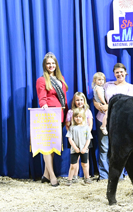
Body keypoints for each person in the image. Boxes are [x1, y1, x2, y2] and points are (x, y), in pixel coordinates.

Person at [94, 63, 133, 179]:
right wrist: (98, 104)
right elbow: (96, 97)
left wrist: (109, 107)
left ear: (125, 72)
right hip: (103, 119)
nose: (119, 74)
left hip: (121, 122)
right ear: (114, 73)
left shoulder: (131, 88)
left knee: (119, 149)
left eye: (121, 72)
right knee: (104, 148)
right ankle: (104, 175)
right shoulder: (107, 85)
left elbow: (131, 106)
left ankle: (118, 175)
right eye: (117, 72)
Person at [36, 52, 68, 187]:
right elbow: (42, 98)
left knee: (53, 145)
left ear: (56, 65)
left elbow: (64, 99)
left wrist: (67, 115)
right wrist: (44, 106)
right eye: (48, 63)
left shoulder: (61, 79)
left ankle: (45, 174)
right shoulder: (42, 80)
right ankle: (52, 176)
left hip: (60, 115)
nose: (51, 65)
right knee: (47, 146)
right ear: (45, 65)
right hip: (49, 115)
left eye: (53, 63)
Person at [64, 92, 93, 183]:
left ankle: (86, 177)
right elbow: (67, 125)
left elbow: (90, 125)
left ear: (84, 101)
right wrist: (72, 133)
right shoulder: (70, 112)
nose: (79, 102)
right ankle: (74, 177)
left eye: (81, 100)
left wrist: (85, 134)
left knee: (85, 159)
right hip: (74, 138)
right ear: (74, 101)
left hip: (84, 138)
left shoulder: (87, 111)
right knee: (75, 159)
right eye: (77, 100)